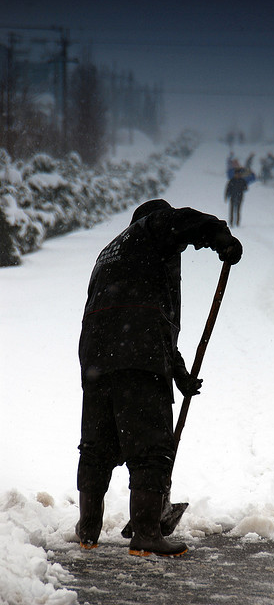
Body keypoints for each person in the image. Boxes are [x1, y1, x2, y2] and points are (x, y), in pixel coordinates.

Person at [76, 199, 242, 557]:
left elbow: (145, 315)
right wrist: (219, 236)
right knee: (151, 446)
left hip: (97, 357)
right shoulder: (151, 229)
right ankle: (147, 533)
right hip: (137, 356)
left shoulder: (110, 253)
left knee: (97, 446)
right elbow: (181, 221)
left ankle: (87, 528)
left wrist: (178, 373)